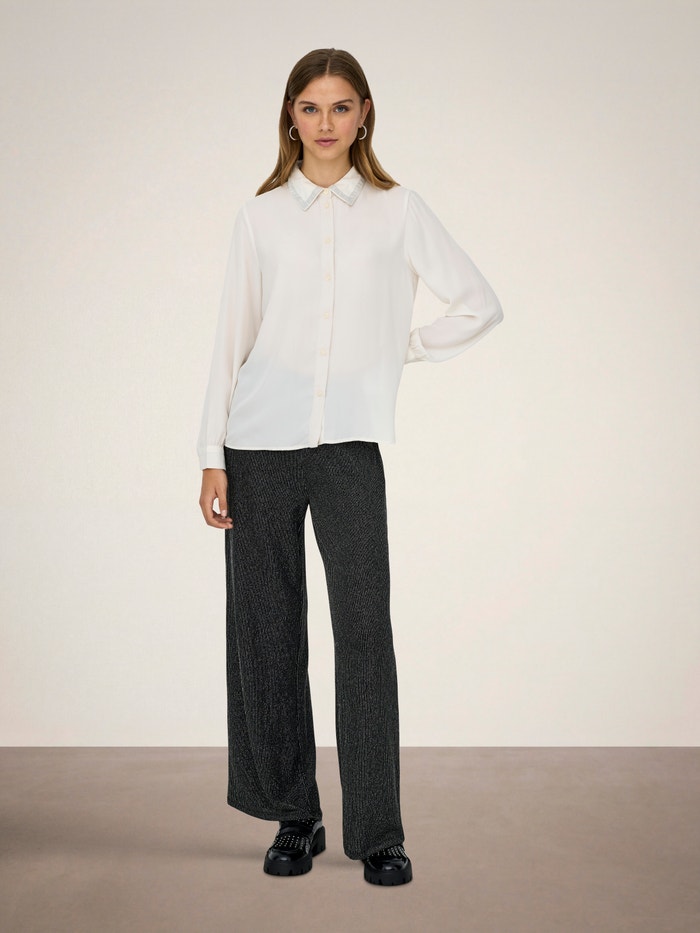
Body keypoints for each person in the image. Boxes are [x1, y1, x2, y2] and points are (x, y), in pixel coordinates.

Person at [197, 47, 503, 887]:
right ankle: (294, 815)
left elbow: (480, 303)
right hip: (257, 445)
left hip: (350, 447)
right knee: (268, 630)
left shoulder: (398, 210)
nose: (325, 123)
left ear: (365, 113)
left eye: (340, 106)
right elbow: (229, 339)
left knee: (365, 631)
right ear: (290, 117)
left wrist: (394, 351)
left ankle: (378, 830)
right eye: (310, 107)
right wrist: (210, 454)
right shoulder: (260, 218)